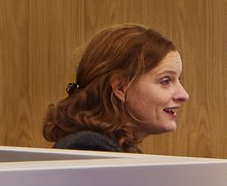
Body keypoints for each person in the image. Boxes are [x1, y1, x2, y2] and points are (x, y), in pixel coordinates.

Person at [42, 26, 189, 151]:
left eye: (178, 80)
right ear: (120, 88)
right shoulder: (90, 148)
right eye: (165, 81)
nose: (183, 95)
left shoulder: (108, 146)